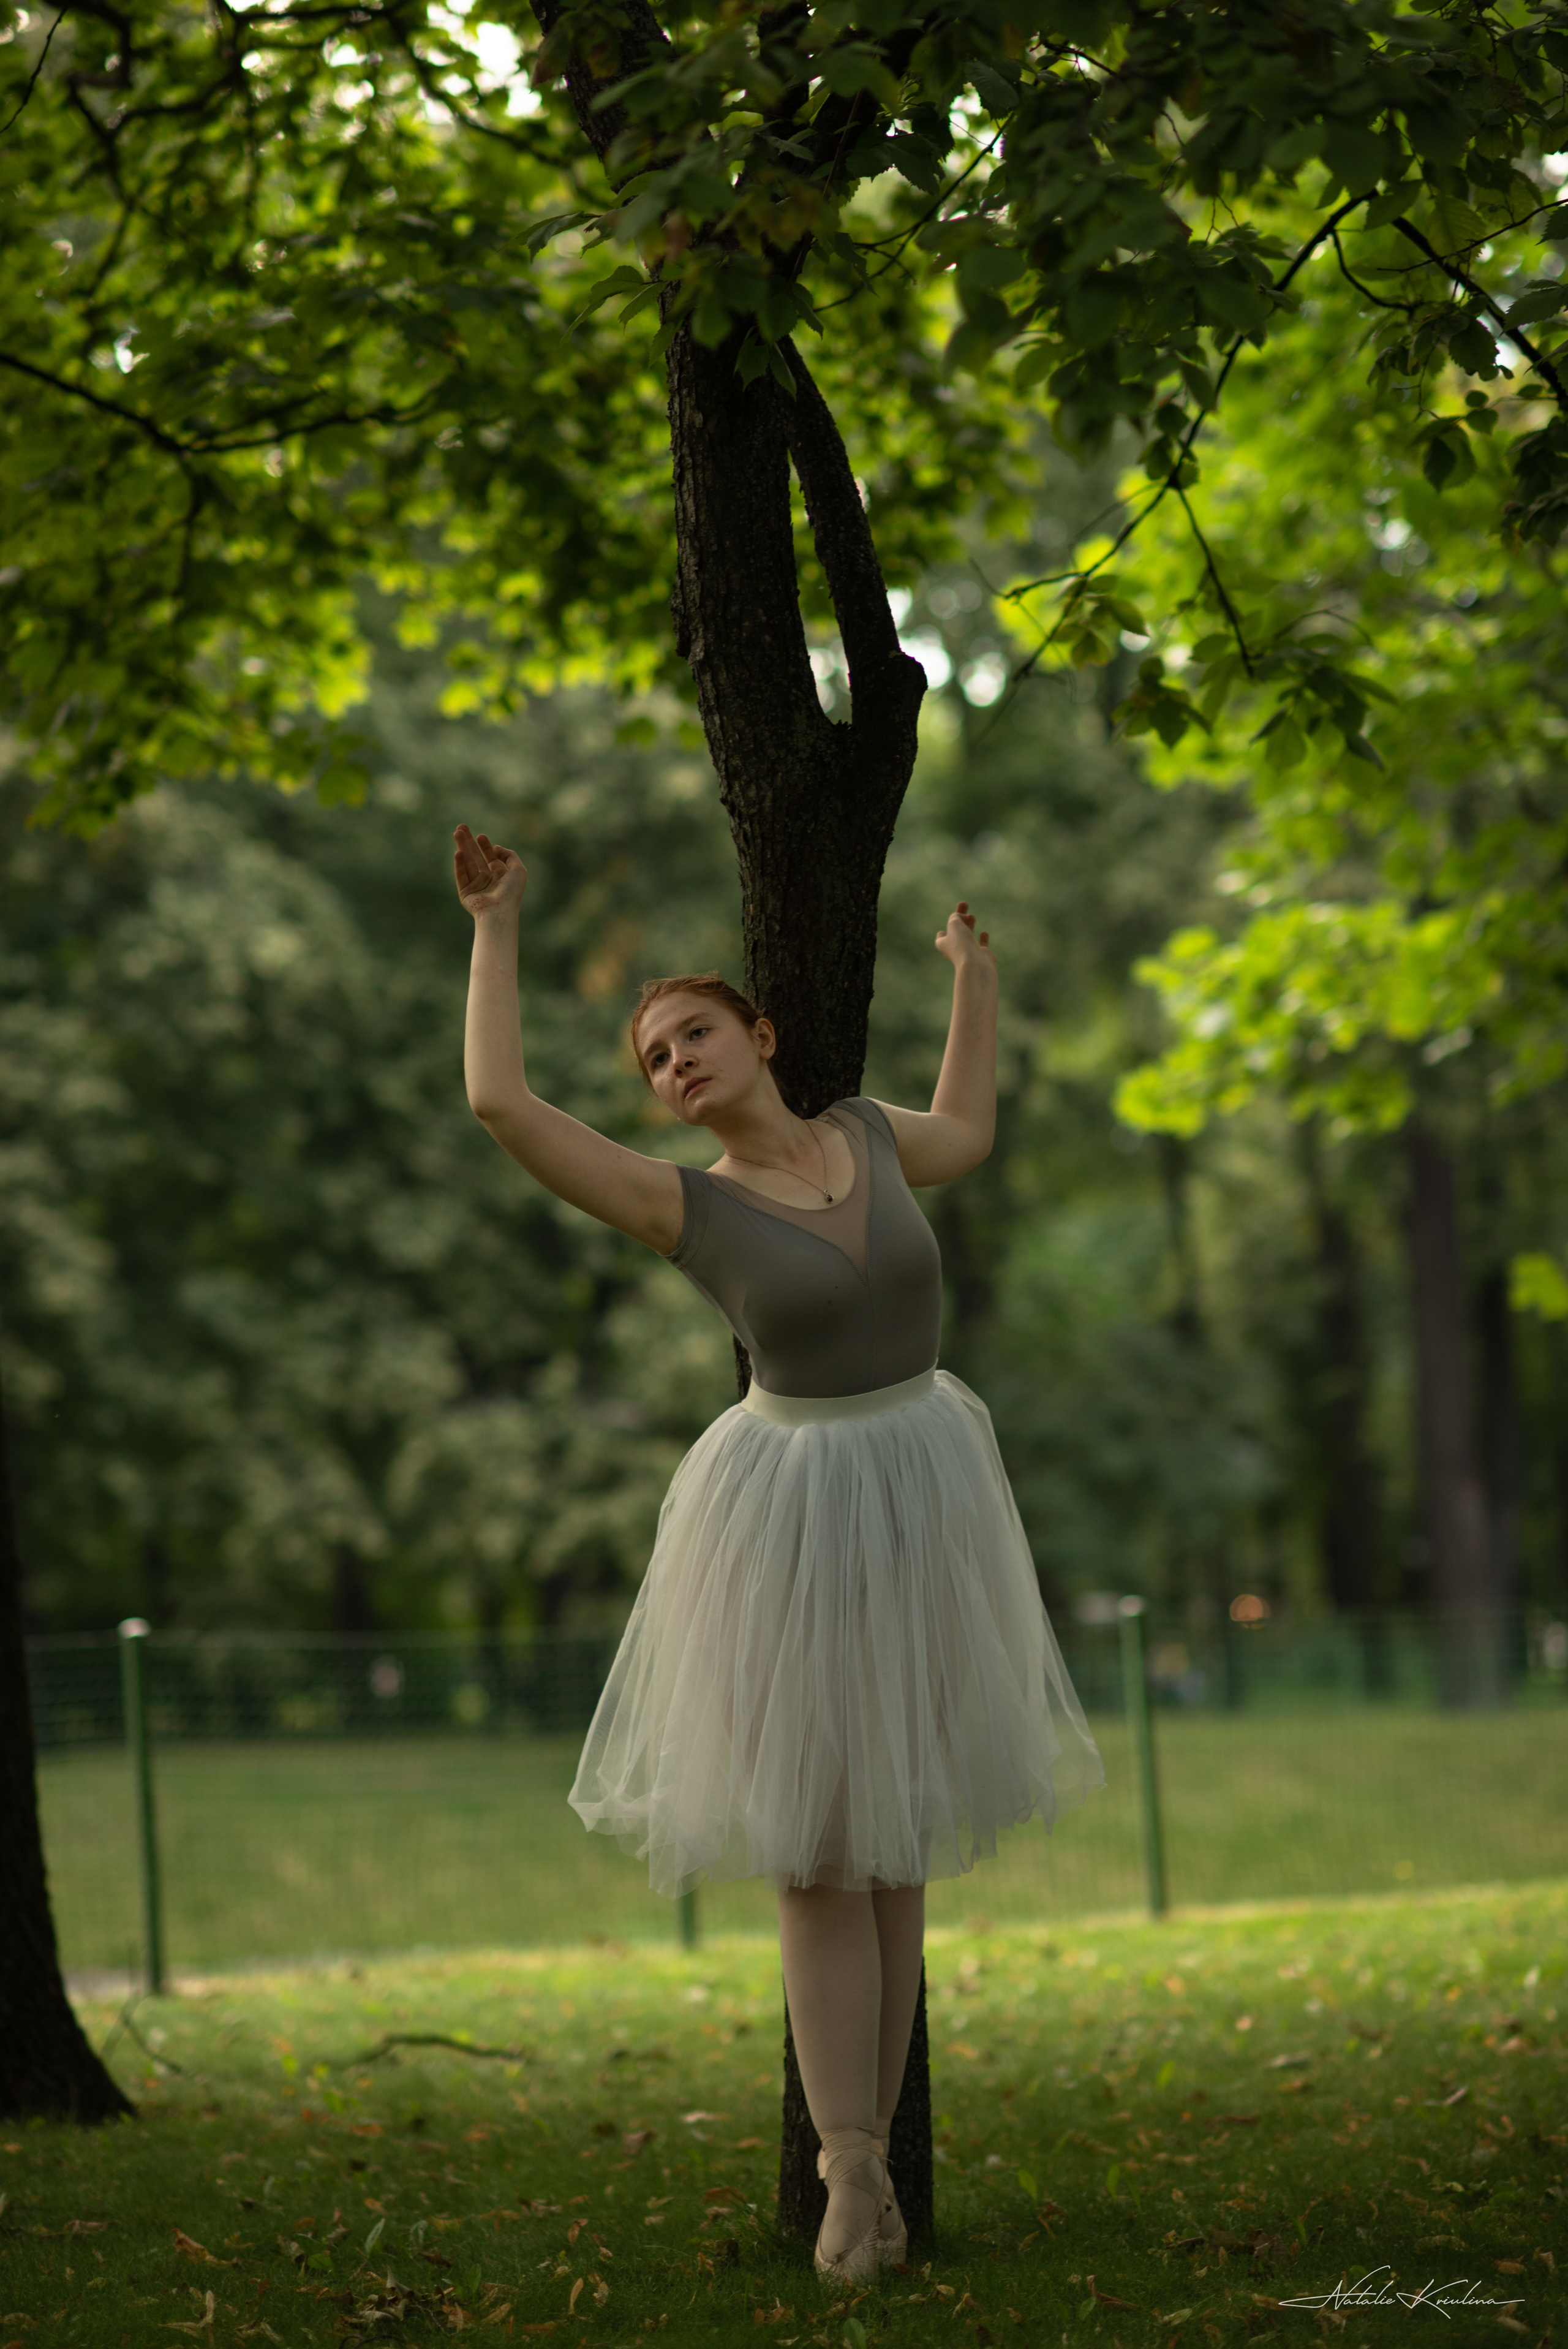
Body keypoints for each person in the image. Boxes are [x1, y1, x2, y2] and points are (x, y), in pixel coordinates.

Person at [453, 823, 1103, 2283]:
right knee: (817, 1855)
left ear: (758, 1034)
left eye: (691, 1034)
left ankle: (872, 2188)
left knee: (898, 1855)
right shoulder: (684, 1204)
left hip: (925, 1489)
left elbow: (973, 1134)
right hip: (787, 1516)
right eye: (652, 1061)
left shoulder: (871, 1136)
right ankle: (849, 2176)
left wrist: (974, 984)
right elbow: (500, 1104)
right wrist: (496, 925)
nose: (673, 1065)